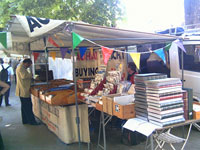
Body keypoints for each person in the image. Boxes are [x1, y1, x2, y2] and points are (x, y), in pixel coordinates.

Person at [16, 58, 40, 125]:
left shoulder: (22, 67)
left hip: (23, 89)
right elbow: (24, 76)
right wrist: (31, 75)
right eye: (28, 65)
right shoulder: (21, 68)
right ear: (25, 63)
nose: (28, 66)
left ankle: (25, 120)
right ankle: (32, 121)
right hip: (23, 90)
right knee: (28, 106)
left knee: (24, 107)